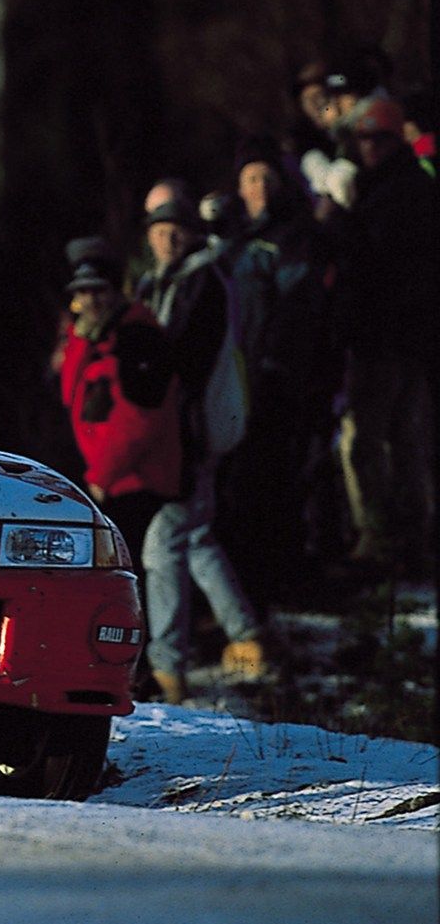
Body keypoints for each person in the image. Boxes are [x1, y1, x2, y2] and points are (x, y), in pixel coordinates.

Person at [135, 192, 268, 698]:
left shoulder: (198, 282)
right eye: (158, 228)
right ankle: (245, 633)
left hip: (190, 431)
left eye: (176, 228)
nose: (167, 237)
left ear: (192, 233)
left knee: (162, 544)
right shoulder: (164, 281)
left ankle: (168, 667)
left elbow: (182, 359)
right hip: (188, 429)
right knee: (194, 536)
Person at [56, 237, 181, 698]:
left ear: (117, 292)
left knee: (128, 580)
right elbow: (73, 397)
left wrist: (102, 477)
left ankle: (139, 670)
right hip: (111, 480)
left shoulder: (137, 337)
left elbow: (139, 421)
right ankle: (130, 668)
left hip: (135, 481)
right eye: (83, 291)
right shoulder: (95, 336)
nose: (89, 300)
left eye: (99, 291)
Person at [319, 96, 438, 571]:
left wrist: (339, 222)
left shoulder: (392, 193)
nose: (367, 147)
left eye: (375, 138)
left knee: (363, 439)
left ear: (391, 140)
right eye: (362, 138)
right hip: (408, 339)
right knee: (406, 439)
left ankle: (378, 539)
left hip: (384, 338)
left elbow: (373, 261)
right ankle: (415, 536)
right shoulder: (411, 186)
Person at [219, 134, 334, 606]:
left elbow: (298, 307)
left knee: (278, 476)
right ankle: (250, 576)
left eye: (267, 177)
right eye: (251, 178)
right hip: (234, 377)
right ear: (239, 187)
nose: (260, 187)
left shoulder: (295, 236)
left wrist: (279, 364)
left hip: (279, 375)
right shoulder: (231, 239)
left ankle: (283, 577)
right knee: (240, 479)